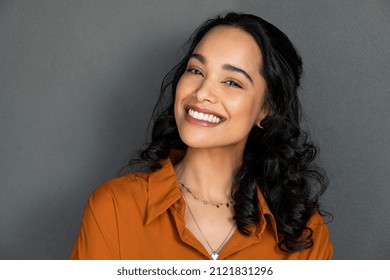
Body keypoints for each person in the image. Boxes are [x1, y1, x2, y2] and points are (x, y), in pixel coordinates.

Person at [70, 12, 333, 260]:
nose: (202, 92)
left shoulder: (305, 232)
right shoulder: (114, 207)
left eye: (232, 82)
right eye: (196, 70)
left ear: (266, 109)